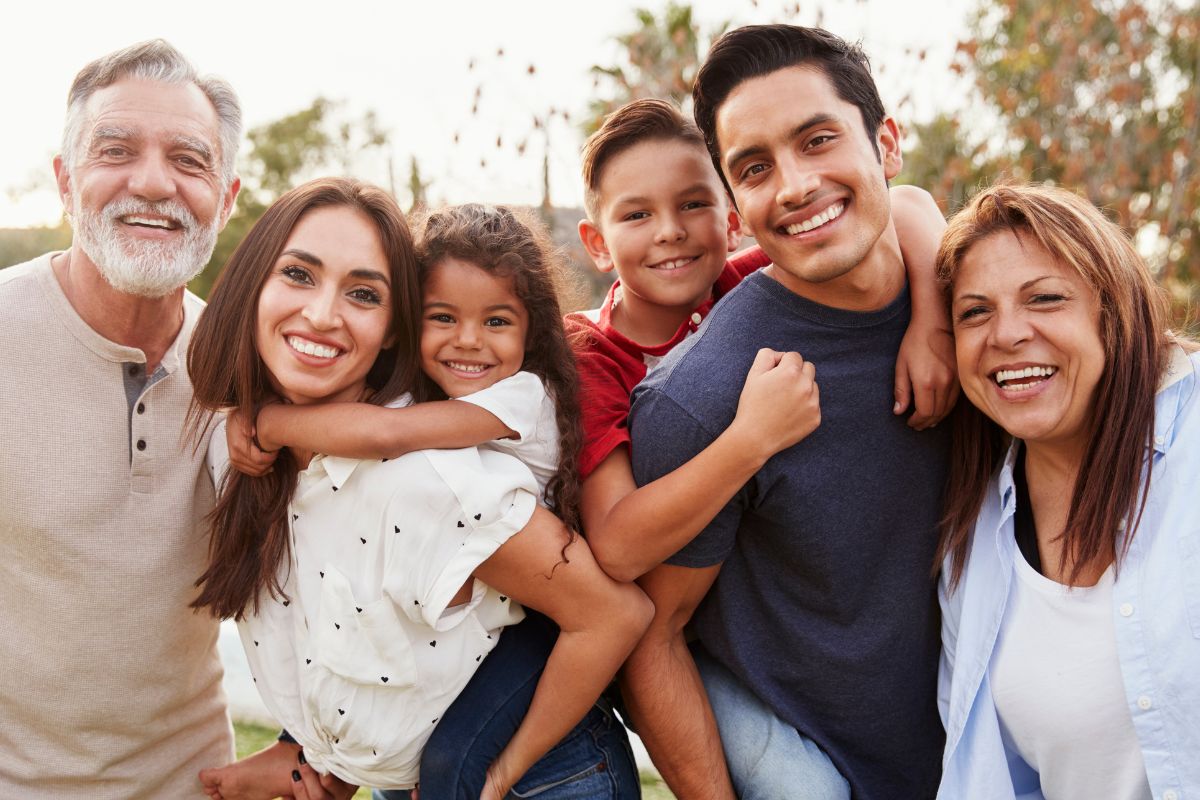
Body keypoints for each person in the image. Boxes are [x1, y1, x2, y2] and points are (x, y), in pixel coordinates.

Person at [190, 184, 652, 800]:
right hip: (410, 758)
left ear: (390, 328)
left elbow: (389, 435)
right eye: (298, 273)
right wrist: (325, 762)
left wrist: (265, 423)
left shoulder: (437, 469)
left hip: (542, 771)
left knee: (452, 769)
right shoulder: (261, 457)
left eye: (361, 293)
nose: (324, 314)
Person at [625, 25, 953, 799]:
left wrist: (935, 316)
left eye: (817, 140)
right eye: (755, 168)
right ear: (736, 207)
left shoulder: (976, 313)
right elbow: (652, 635)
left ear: (887, 143)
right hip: (823, 770)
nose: (796, 185)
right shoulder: (705, 401)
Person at [570, 97, 954, 584]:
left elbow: (905, 201)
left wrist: (933, 324)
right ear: (598, 244)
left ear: (733, 223)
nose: (670, 231)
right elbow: (616, 547)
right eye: (636, 216)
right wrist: (752, 439)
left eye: (692, 204)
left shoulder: (745, 286)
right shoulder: (588, 353)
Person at [0, 40, 241, 798]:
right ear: (67, 183)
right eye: (116, 151)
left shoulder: (249, 373)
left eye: (189, 160)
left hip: (195, 781)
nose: (152, 182)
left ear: (226, 198)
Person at [934, 184, 1200, 799]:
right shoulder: (968, 555)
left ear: (1113, 311)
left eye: (1045, 299)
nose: (1007, 334)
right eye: (975, 313)